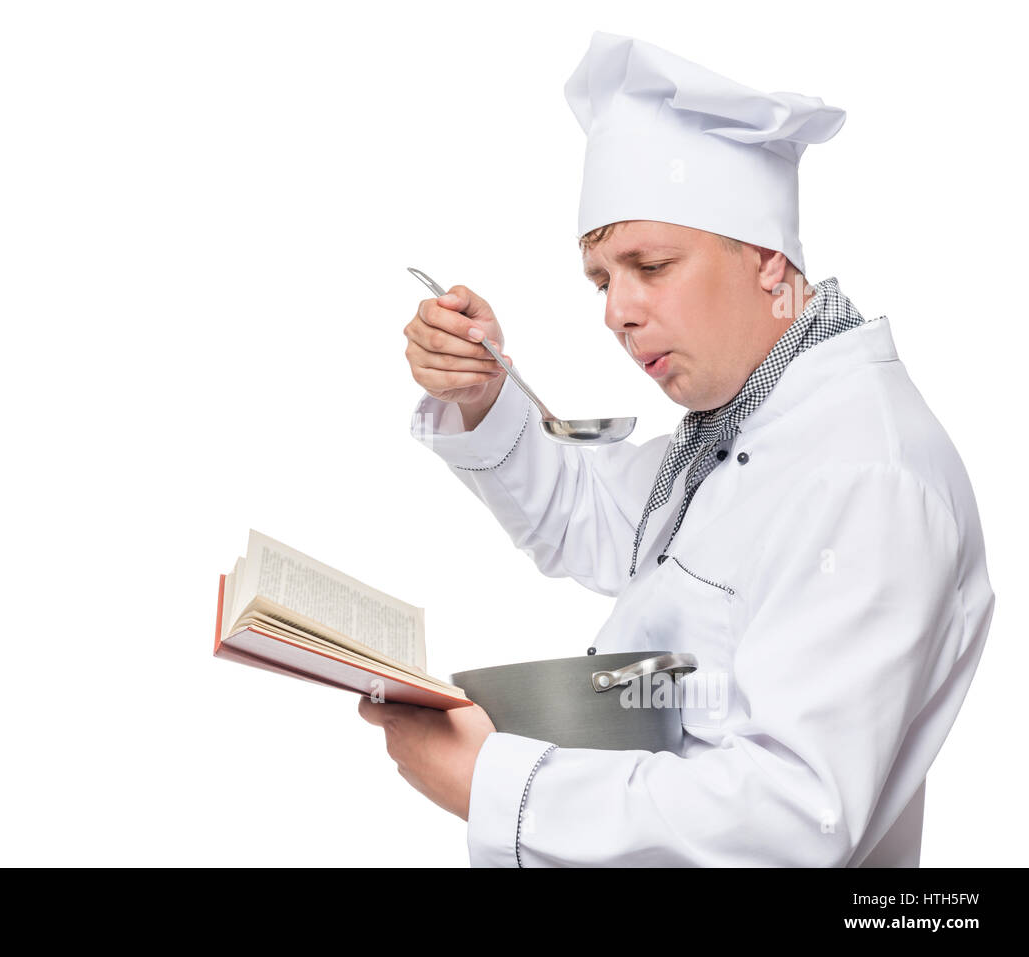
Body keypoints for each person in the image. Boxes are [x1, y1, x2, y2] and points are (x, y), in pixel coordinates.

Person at [357, 31, 995, 867]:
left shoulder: (866, 477)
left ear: (769, 265)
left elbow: (792, 816)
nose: (615, 312)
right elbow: (598, 522)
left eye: (650, 265)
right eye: (600, 279)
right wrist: (479, 397)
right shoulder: (742, 427)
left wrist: (498, 785)